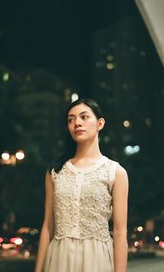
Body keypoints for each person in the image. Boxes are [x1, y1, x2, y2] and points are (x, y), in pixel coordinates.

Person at [35, 98, 129, 272]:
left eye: (84, 117)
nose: (77, 123)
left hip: (98, 259)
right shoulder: (55, 172)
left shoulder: (115, 172)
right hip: (59, 259)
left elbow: (120, 233)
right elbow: (48, 226)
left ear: (100, 124)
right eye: (71, 119)